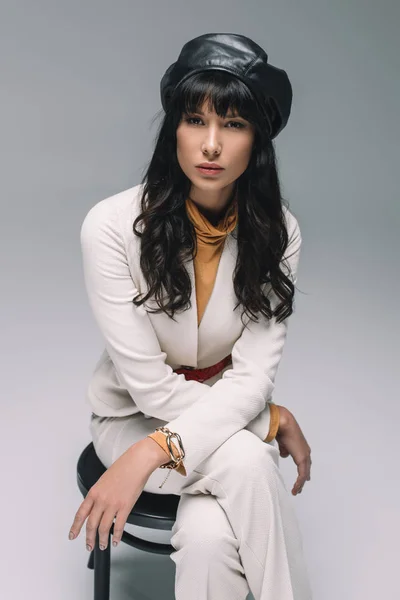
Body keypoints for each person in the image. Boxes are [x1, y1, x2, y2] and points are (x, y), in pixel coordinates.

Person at [68, 32, 313, 599]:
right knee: (252, 464)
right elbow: (151, 389)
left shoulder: (280, 231)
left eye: (232, 125)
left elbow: (253, 374)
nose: (210, 144)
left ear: (258, 139)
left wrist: (155, 455)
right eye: (194, 120)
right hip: (131, 419)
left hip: (198, 424)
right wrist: (268, 422)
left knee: (206, 538)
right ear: (172, 129)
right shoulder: (109, 226)